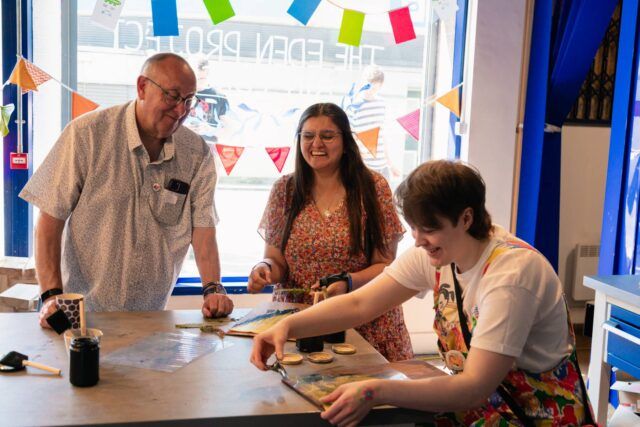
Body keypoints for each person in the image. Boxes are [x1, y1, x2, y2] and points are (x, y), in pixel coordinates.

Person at [250, 160, 594, 426]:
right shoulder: (437, 254)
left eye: (428, 228)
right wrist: (288, 327)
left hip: (534, 414)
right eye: (414, 227)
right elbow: (360, 303)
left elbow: (474, 387)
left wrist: (376, 390)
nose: (417, 239)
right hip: (484, 409)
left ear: (466, 218)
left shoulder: (512, 275)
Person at [20, 52, 233, 327]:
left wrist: (213, 288)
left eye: (189, 100)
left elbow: (202, 227)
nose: (181, 110)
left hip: (152, 316)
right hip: (80, 315)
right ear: (142, 87)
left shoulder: (196, 153)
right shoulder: (87, 135)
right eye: (172, 96)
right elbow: (50, 220)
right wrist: (51, 296)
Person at [247, 102, 413, 362]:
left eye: (327, 136)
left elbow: (385, 266)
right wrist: (264, 269)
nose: (317, 144)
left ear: (345, 142)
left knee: (366, 398)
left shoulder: (373, 188)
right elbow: (276, 260)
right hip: (299, 321)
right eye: (308, 136)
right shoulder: (285, 190)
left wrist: (348, 282)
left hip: (362, 320)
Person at [343, 65, 400, 181]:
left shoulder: (381, 104)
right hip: (364, 166)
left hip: (382, 166)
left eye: (376, 87)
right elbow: (350, 138)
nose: (372, 90)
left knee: (385, 198)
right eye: (370, 86)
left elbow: (382, 135)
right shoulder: (354, 106)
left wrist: (390, 164)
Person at [185, 57, 230, 144]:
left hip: (209, 145)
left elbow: (228, 128)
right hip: (183, 143)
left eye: (204, 70)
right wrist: (184, 128)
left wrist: (211, 131)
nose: (201, 73)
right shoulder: (180, 94)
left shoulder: (219, 96)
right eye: (196, 71)